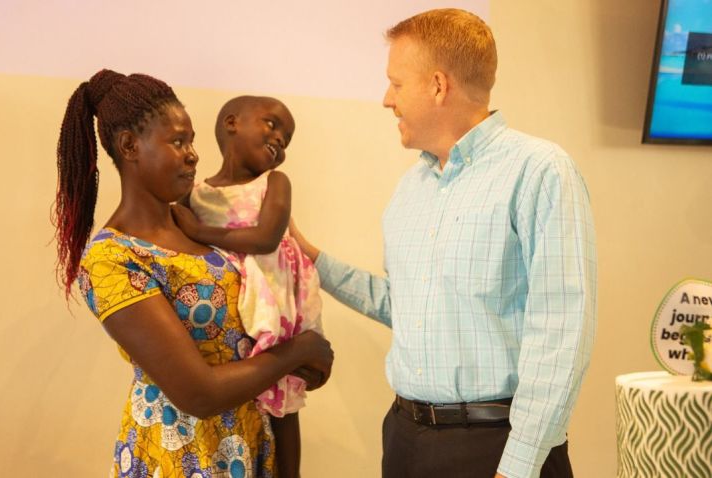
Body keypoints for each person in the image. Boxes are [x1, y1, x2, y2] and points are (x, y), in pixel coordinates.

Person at [290, 8, 596, 478]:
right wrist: (314, 260)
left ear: (437, 85)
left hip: (498, 448)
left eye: (396, 83)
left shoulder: (539, 171)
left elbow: (561, 332)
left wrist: (518, 466)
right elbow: (405, 305)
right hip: (405, 439)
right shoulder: (410, 191)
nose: (386, 100)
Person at [53, 69, 333, 478]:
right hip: (182, 458)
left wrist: (297, 362)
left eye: (192, 141)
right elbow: (199, 394)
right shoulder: (112, 259)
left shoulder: (201, 222)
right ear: (130, 146)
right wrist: (298, 352)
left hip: (251, 448)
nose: (193, 154)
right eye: (177, 141)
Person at [171, 96, 323, 478]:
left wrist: (200, 230)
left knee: (281, 397)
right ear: (232, 123)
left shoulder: (274, 182)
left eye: (286, 139)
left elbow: (267, 237)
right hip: (229, 307)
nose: (280, 141)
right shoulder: (196, 193)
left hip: (273, 298)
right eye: (273, 124)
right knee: (237, 393)